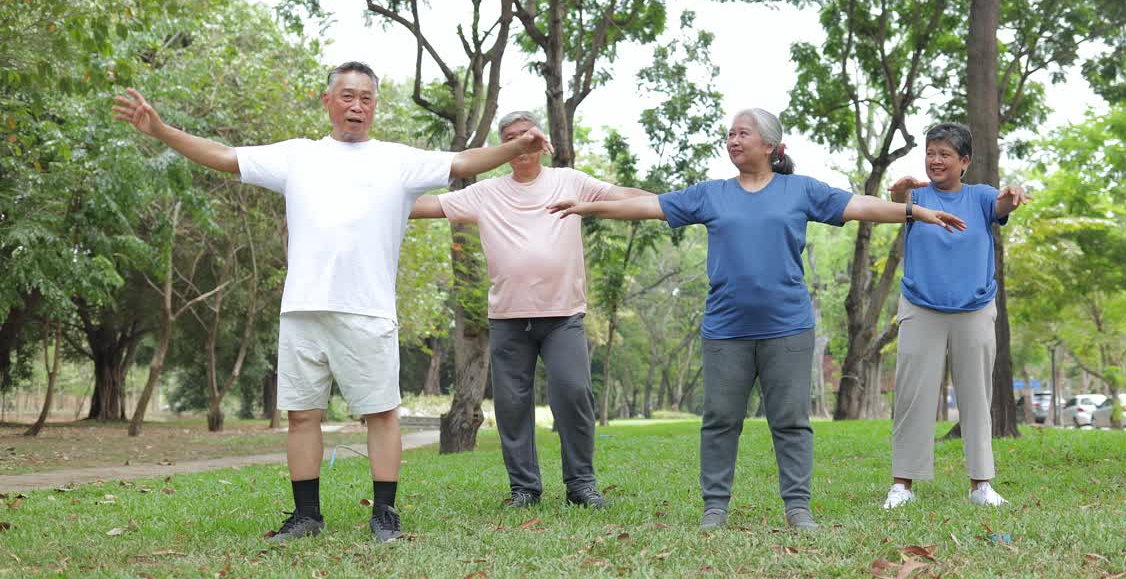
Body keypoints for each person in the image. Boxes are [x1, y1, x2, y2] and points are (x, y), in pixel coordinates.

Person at [111, 62, 551, 543]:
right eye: (346, 96)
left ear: (375, 106)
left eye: (366, 98)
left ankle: (384, 514)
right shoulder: (297, 157)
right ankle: (306, 516)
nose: (356, 106)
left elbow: (463, 162)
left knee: (380, 413)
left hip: (368, 309)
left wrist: (516, 146)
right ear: (327, 102)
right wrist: (159, 129)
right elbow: (222, 155)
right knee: (301, 415)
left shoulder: (398, 161)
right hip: (302, 309)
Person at [549, 108, 964, 531]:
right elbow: (649, 206)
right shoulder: (712, 194)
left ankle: (798, 508)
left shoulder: (800, 190)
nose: (733, 140)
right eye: (730, 133)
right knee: (719, 422)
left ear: (769, 145)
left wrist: (917, 212)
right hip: (725, 330)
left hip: (788, 327)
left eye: (742, 133)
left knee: (791, 423)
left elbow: (861, 206)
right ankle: (715, 508)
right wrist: (587, 206)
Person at [408, 110, 651, 510]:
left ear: (540, 142)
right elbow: (428, 206)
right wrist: (374, 195)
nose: (520, 144)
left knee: (573, 392)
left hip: (563, 316)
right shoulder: (486, 192)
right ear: (502, 147)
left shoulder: (568, 180)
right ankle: (524, 489)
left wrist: (673, 203)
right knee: (512, 405)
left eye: (526, 135)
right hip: (508, 319)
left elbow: (620, 195)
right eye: (510, 138)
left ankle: (581, 486)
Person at [880, 122, 1030, 510]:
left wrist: (1012, 198)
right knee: (913, 396)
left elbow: (1002, 206)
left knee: (976, 397)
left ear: (964, 161)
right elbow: (897, 201)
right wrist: (901, 191)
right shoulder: (917, 197)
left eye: (945, 154)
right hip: (920, 306)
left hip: (974, 309)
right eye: (931, 152)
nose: (935, 160)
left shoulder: (980, 197)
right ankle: (903, 486)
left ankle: (981, 485)